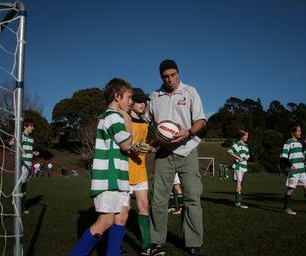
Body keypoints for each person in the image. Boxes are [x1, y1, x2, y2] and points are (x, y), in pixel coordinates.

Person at [145, 59, 207, 256]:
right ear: (161, 77)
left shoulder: (190, 92)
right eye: (165, 76)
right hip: (164, 153)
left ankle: (193, 243)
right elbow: (143, 120)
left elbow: (201, 120)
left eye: (173, 75)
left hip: (187, 150)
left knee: (192, 198)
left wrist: (188, 132)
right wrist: (151, 141)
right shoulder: (154, 97)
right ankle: (156, 242)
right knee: (159, 199)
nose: (169, 79)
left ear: (178, 73)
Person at [70, 78, 133, 256]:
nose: (130, 102)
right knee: (105, 221)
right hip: (109, 179)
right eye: (128, 97)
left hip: (118, 179)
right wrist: (128, 119)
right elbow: (127, 144)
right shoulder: (113, 117)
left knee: (122, 214)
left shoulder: (111, 116)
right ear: (117, 96)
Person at [122, 87, 156, 255]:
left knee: (144, 206)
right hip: (124, 170)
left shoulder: (145, 124)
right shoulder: (124, 119)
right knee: (124, 211)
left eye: (144, 101)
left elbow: (142, 146)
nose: (143, 104)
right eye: (139, 101)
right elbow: (127, 146)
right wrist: (146, 148)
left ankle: (146, 247)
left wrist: (149, 147)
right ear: (131, 102)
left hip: (140, 169)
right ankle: (116, 244)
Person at [9, 118, 39, 214]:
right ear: (25, 126)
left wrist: (33, 152)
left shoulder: (31, 138)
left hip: (29, 165)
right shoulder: (20, 135)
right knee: (20, 185)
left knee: (24, 187)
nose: (32, 128)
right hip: (22, 164)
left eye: (33, 126)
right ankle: (16, 205)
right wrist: (14, 141)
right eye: (30, 126)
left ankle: (22, 207)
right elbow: (11, 143)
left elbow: (28, 150)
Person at [227, 129, 250, 209]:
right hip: (238, 166)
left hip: (244, 166)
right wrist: (238, 158)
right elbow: (229, 151)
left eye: (247, 135)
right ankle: (237, 203)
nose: (247, 137)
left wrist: (245, 158)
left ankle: (239, 201)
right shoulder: (237, 144)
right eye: (246, 135)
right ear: (241, 136)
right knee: (239, 184)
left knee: (241, 184)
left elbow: (247, 155)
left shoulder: (246, 145)